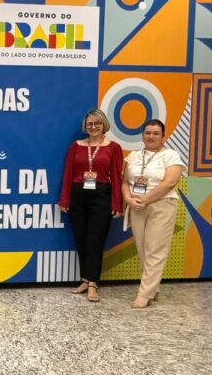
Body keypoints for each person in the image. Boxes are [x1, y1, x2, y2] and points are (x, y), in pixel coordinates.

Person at [58, 109, 123, 302]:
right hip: (78, 195)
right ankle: (85, 280)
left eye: (97, 123)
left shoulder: (113, 148)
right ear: (85, 127)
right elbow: (68, 174)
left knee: (96, 239)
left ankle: (93, 283)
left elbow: (117, 177)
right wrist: (65, 199)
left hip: (101, 197)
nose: (93, 127)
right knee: (81, 239)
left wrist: (117, 203)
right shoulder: (76, 147)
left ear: (104, 125)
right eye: (89, 124)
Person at [122, 120, 185, 309]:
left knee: (155, 250)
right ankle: (152, 287)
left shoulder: (171, 155)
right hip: (136, 206)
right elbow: (124, 182)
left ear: (163, 136)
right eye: (148, 133)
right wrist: (129, 199)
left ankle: (144, 294)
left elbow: (170, 182)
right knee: (143, 249)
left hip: (161, 205)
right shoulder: (133, 156)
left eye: (156, 133)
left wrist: (146, 199)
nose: (151, 136)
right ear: (142, 135)